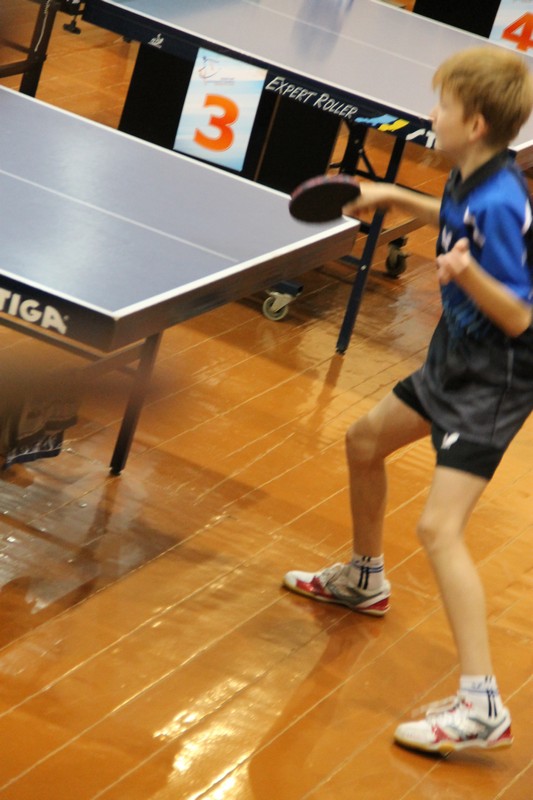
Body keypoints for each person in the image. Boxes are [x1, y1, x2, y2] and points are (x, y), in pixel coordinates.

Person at [283, 45, 533, 754]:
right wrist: (394, 198)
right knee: (363, 441)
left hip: (494, 377)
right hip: (455, 357)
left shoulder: (499, 198)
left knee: (439, 530)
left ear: (474, 123)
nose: (430, 115)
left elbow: (519, 315)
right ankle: (364, 579)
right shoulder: (471, 171)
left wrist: (464, 274)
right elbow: (454, 219)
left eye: (441, 107)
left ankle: (482, 707)